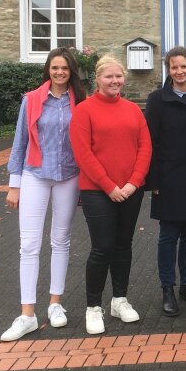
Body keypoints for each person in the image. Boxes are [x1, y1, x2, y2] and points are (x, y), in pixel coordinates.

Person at [1, 48, 86, 341]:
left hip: (68, 176)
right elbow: (20, 141)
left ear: (71, 71)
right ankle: (27, 313)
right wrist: (14, 184)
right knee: (29, 244)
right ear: (48, 70)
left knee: (61, 240)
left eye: (64, 68)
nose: (59, 72)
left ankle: (55, 303)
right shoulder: (32, 99)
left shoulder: (80, 101)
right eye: (54, 68)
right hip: (35, 174)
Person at [69, 55, 151, 335]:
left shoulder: (133, 110)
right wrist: (109, 186)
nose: (115, 81)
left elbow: (144, 148)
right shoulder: (84, 110)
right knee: (102, 247)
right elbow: (83, 154)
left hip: (130, 190)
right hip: (97, 191)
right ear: (98, 79)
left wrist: (133, 182)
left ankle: (119, 299)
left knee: (123, 246)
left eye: (118, 77)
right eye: (109, 77)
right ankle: (93, 307)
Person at [145, 47, 186, 317]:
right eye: (174, 67)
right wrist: (154, 178)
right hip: (169, 176)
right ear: (168, 69)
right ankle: (167, 288)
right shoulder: (157, 100)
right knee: (168, 236)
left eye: (184, 67)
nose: (180, 72)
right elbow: (149, 141)